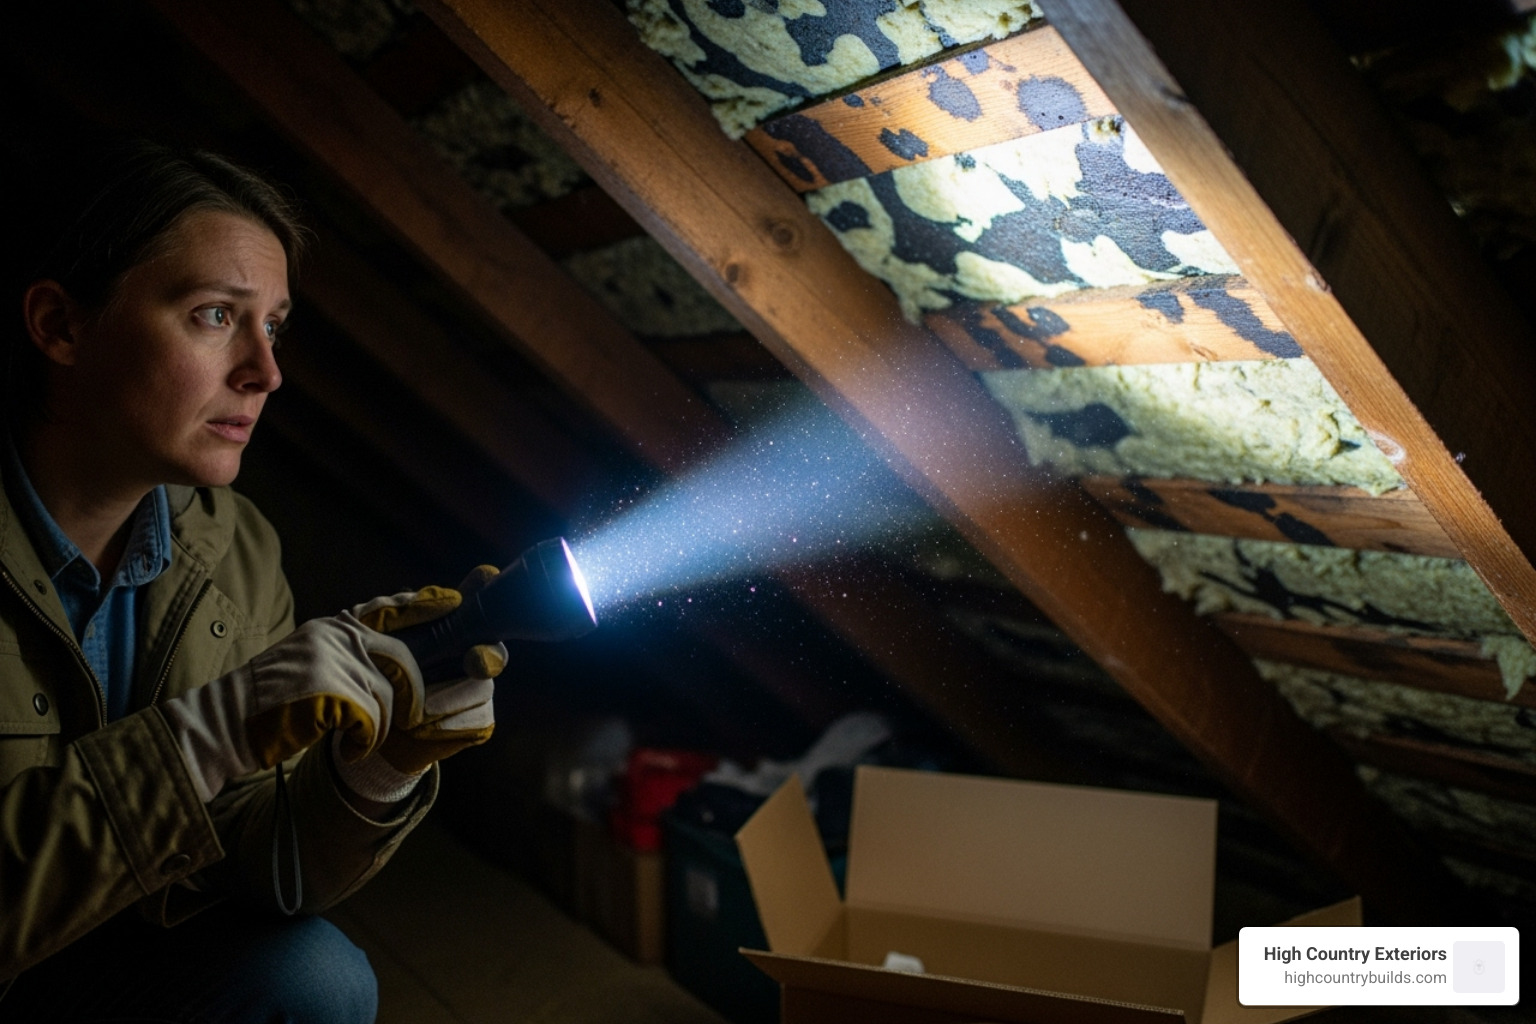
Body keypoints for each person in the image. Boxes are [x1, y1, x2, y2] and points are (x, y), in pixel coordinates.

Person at [0, 141, 501, 1022]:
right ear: (60, 326)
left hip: (102, 956)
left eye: (271, 324)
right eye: (212, 315)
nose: (265, 373)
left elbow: (258, 875)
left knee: (315, 981)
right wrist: (210, 734)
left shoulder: (235, 547)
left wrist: (375, 767)